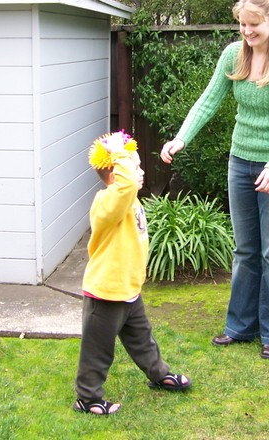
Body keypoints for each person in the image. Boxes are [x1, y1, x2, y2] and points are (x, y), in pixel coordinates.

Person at [160, 0, 269, 359]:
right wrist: (181, 137)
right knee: (245, 250)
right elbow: (208, 100)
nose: (247, 31)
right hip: (241, 163)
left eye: (253, 24)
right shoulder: (234, 54)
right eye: (242, 24)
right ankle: (241, 327)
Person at [74, 130, 191, 415]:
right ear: (116, 174)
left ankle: (158, 374)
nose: (141, 172)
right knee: (98, 349)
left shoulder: (129, 200)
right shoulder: (107, 203)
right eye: (134, 167)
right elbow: (125, 187)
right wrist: (119, 153)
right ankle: (87, 397)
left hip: (128, 289)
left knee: (142, 339)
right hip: (106, 293)